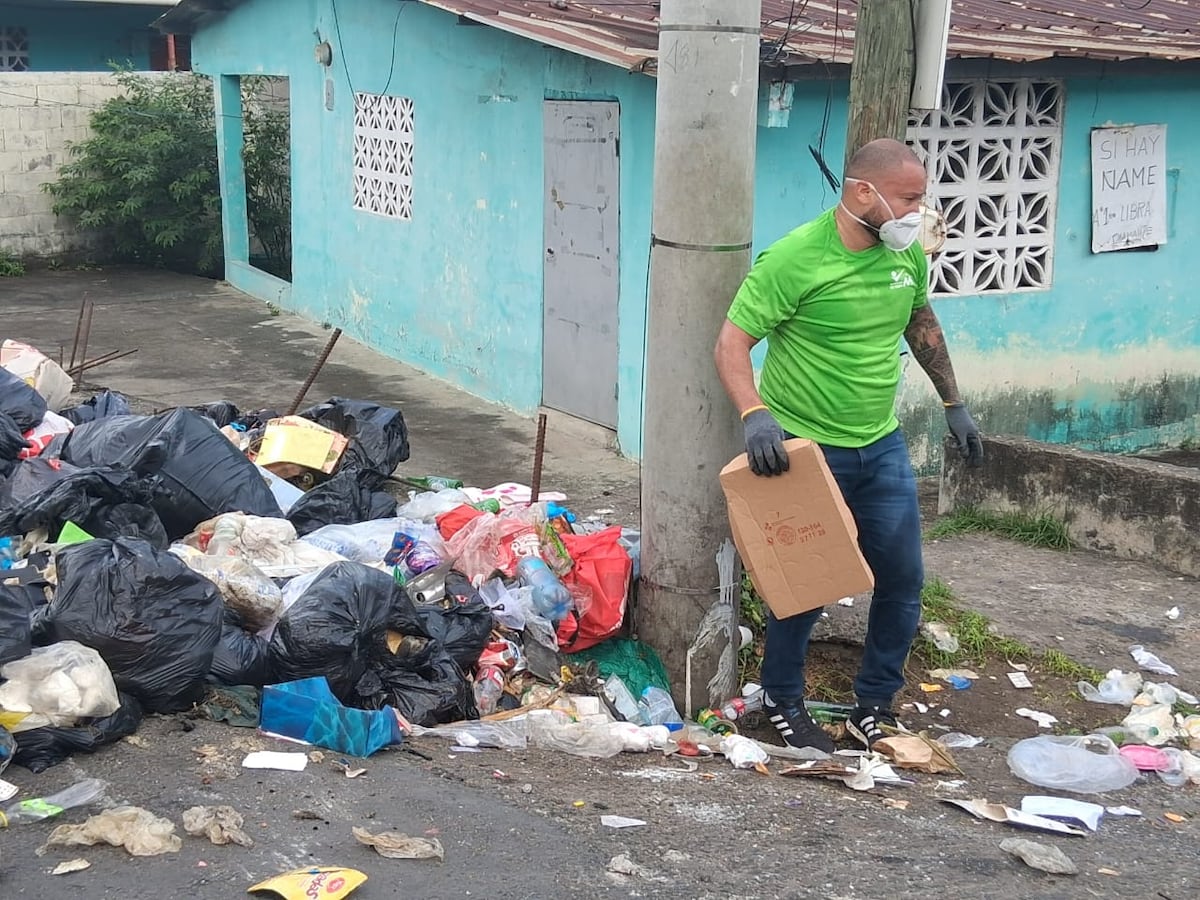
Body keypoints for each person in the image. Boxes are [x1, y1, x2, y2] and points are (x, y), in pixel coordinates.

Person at [713, 138, 984, 752]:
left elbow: (922, 323)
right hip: (804, 450)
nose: (919, 211)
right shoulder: (795, 259)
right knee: (806, 582)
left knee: (902, 579)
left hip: (880, 445)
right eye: (910, 198)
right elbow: (731, 343)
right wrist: (755, 416)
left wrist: (954, 403)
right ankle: (783, 700)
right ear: (864, 192)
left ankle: (874, 706)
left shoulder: (906, 254)